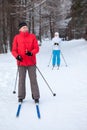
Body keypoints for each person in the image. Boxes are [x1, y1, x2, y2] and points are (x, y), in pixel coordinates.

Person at [12, 22, 40, 103]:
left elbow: (36, 48)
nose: (25, 28)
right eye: (23, 27)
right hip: (21, 63)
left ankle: (36, 96)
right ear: (20, 29)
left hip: (31, 62)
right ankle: (21, 96)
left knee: (33, 80)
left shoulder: (32, 36)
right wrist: (17, 56)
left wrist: (31, 53)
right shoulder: (17, 37)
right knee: (21, 80)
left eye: (26, 27)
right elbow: (14, 50)